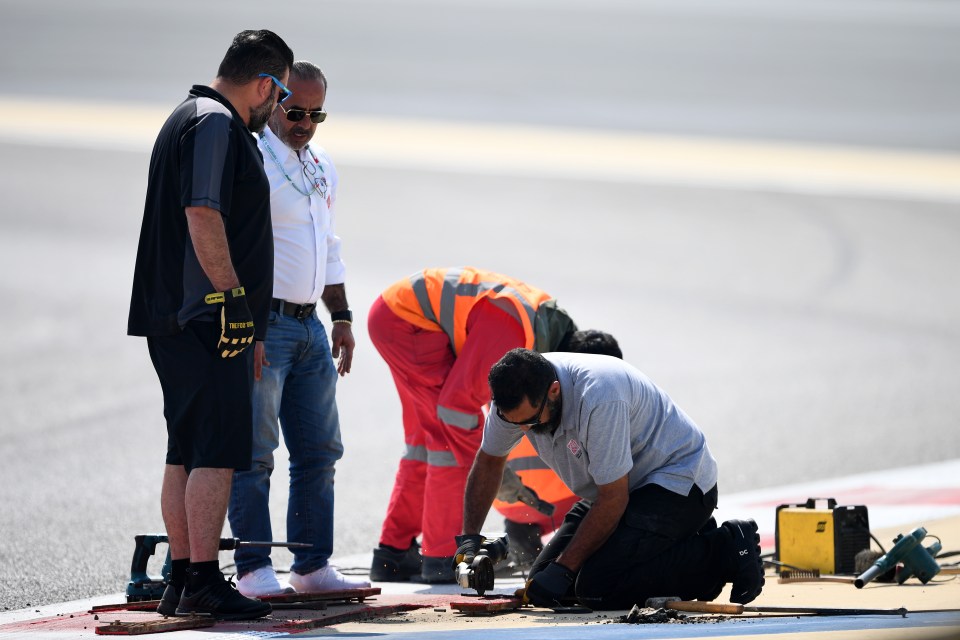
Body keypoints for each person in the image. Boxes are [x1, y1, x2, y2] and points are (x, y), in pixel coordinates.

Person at [127, 30, 294, 620]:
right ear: (265, 84)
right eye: (278, 98)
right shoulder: (217, 123)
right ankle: (201, 577)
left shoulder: (189, 115)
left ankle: (179, 577)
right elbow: (202, 213)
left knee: (187, 449)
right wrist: (234, 304)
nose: (276, 111)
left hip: (179, 314)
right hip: (203, 316)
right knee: (217, 452)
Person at [455, 348, 765, 610]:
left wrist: (565, 568)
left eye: (532, 422)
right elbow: (489, 462)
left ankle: (722, 550)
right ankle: (677, 542)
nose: (524, 430)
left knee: (596, 586)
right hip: (619, 492)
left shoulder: (599, 397)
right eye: (515, 424)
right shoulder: (513, 401)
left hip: (678, 484)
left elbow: (614, 499)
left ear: (554, 391)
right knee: (545, 586)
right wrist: (469, 540)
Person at [226, 60, 369, 596]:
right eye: (296, 110)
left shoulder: (321, 164)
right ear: (274, 102)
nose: (306, 122)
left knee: (320, 451)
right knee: (254, 452)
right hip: (265, 324)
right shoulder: (251, 156)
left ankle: (309, 567)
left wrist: (344, 317)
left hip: (310, 327)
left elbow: (327, 246)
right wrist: (246, 326)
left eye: (317, 113)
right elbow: (234, 249)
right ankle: (254, 570)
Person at [367, 266, 609, 583]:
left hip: (398, 315)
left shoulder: (541, 322)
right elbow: (457, 408)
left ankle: (394, 553)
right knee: (448, 436)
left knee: (424, 443)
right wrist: (493, 469)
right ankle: (441, 556)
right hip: (409, 323)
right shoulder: (515, 333)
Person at [491, 330, 623, 569]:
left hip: (510, 503)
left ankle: (522, 534)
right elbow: (612, 494)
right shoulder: (599, 395)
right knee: (611, 481)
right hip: (564, 503)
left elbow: (483, 460)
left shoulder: (509, 389)